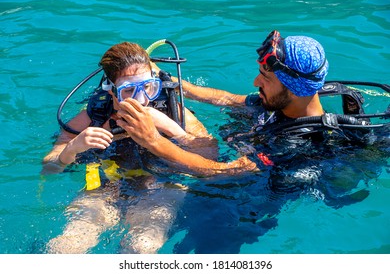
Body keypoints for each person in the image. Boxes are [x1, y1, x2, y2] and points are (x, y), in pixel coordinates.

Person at [42, 41, 216, 253]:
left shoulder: (171, 111)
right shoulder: (95, 115)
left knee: (141, 246)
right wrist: (72, 148)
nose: (141, 99)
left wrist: (172, 130)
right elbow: (49, 169)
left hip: (161, 186)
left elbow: (210, 156)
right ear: (112, 91)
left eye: (148, 88)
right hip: (106, 187)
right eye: (129, 90)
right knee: (65, 247)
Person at [115, 30, 333, 176]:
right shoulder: (279, 101)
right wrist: (164, 78)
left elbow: (223, 173)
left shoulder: (298, 144)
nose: (256, 82)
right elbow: (225, 99)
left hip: (245, 209)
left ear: (294, 89)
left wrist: (152, 140)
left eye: (265, 79)